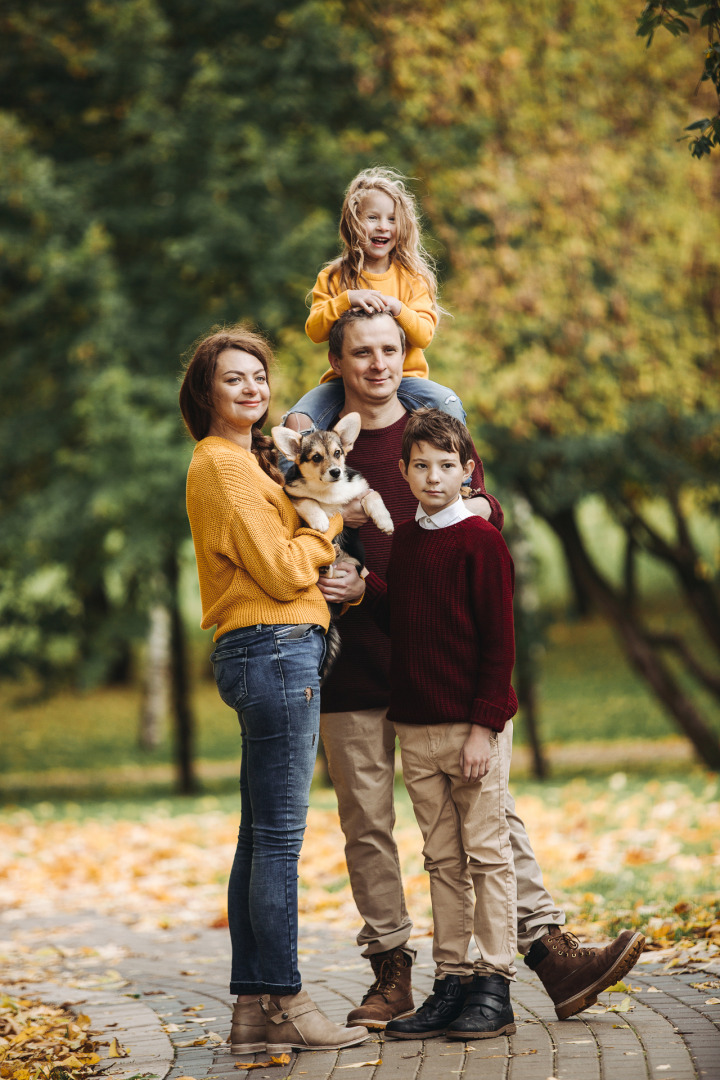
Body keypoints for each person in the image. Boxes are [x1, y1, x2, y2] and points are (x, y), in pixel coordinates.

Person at [286, 308, 645, 1028]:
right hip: (358, 663)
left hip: (442, 669)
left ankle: (543, 953)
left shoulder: (430, 435)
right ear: (339, 363)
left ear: (405, 355)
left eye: (390, 349)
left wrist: (470, 507)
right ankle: (396, 973)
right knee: (372, 826)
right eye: (361, 352)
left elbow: (486, 517)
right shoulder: (316, 446)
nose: (377, 364)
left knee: (488, 816)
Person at [179, 324, 369, 1055]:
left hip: (269, 649)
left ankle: (253, 1012)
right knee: (279, 841)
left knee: (259, 837)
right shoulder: (224, 467)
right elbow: (283, 568)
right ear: (206, 391)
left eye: (259, 375)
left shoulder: (248, 463)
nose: (253, 388)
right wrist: (331, 529)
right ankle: (287, 998)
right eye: (234, 378)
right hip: (273, 648)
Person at [364, 408, 519, 1040]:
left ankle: (494, 983)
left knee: (486, 853)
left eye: (446, 466)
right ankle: (452, 980)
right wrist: (361, 588)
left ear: (468, 472)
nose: (433, 477)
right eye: (420, 466)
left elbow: (499, 644)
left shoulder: (481, 542)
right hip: (416, 727)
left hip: (468, 729)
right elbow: (402, 615)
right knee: (441, 859)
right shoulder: (406, 539)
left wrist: (484, 727)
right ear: (402, 471)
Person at [288, 166, 465, 431]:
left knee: (448, 403)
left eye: (392, 219)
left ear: (402, 226)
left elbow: (423, 336)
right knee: (299, 418)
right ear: (353, 223)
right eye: (372, 217)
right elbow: (314, 331)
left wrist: (398, 309)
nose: (383, 226)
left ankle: (462, 473)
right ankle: (286, 473)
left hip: (406, 379)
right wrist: (345, 300)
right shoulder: (334, 277)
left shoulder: (412, 278)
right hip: (343, 381)